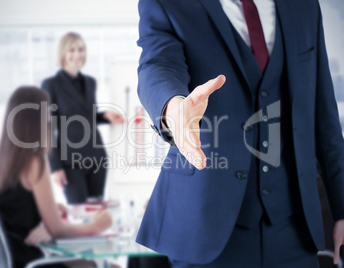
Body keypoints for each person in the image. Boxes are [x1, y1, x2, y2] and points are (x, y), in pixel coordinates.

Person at [135, 0, 344, 267]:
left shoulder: (304, 5)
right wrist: (173, 107)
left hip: (295, 230)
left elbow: (324, 114)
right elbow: (157, 66)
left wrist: (341, 208)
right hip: (205, 227)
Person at [0, 86, 113, 268]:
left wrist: (44, 213)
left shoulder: (1, 162)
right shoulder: (34, 162)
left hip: (15, 258)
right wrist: (98, 226)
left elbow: (14, 213)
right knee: (103, 265)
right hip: (31, 261)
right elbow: (59, 231)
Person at [41, 32, 124, 204]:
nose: (77, 54)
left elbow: (85, 116)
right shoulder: (51, 85)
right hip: (70, 163)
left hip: (97, 158)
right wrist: (55, 167)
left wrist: (104, 116)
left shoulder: (90, 82)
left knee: (96, 211)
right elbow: (47, 129)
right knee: (79, 215)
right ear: (63, 53)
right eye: (71, 50)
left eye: (81, 49)